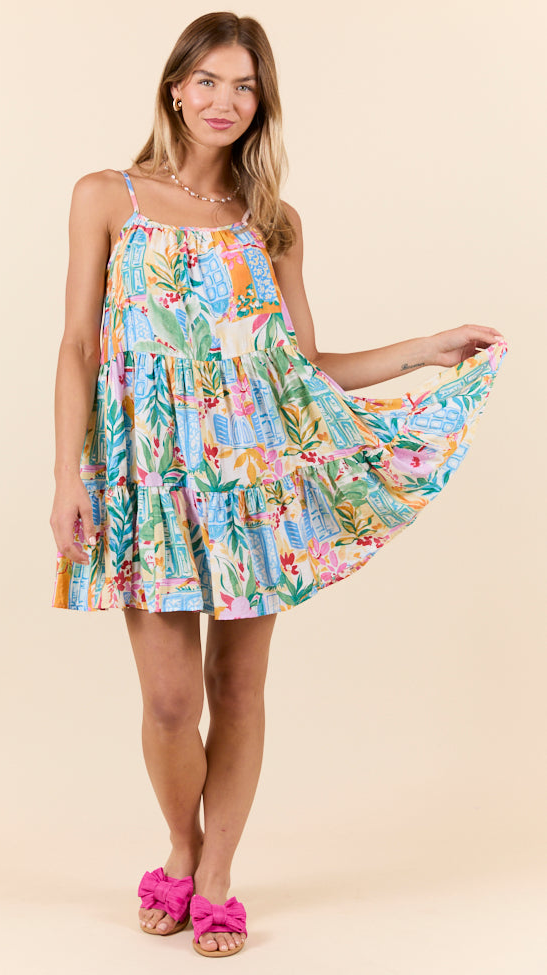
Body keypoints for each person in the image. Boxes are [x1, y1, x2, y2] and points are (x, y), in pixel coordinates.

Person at [49, 11, 507, 958]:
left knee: (238, 686)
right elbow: (79, 346)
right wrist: (68, 476)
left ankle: (215, 872)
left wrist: (427, 348)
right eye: (209, 81)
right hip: (150, 478)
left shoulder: (273, 222)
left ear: (262, 104)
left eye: (245, 87)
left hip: (255, 481)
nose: (225, 101)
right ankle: (180, 844)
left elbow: (301, 371)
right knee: (169, 700)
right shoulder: (107, 196)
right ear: (175, 87)